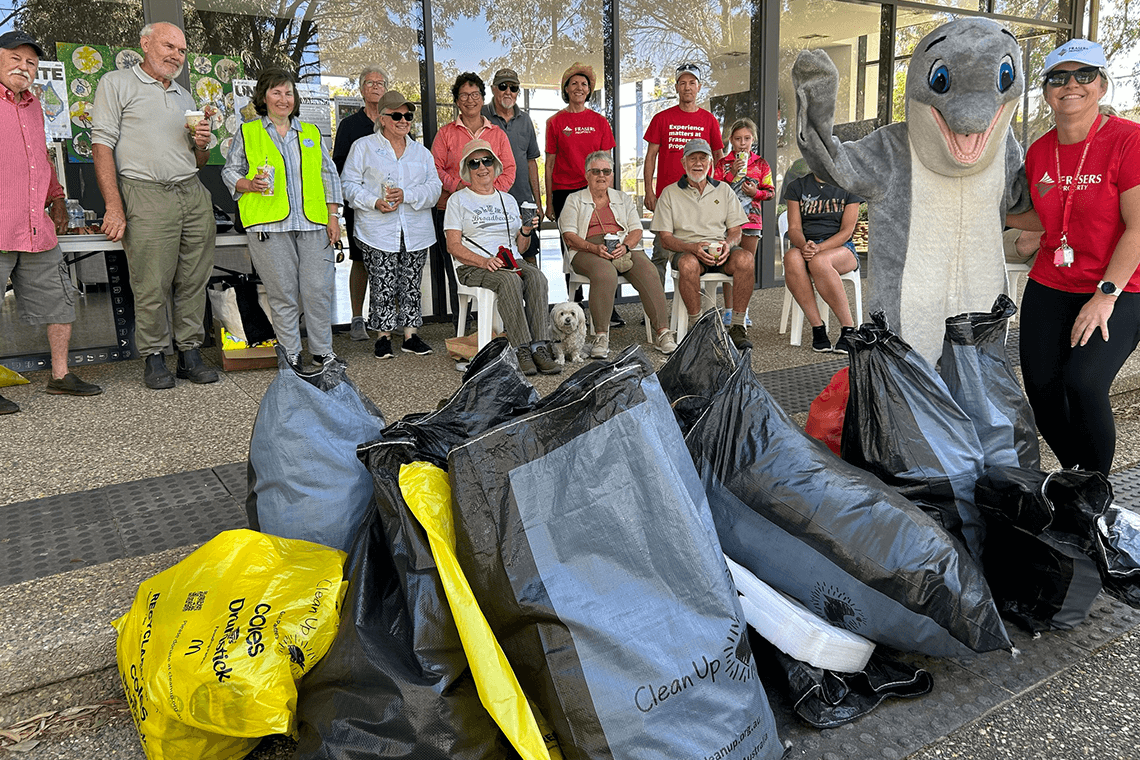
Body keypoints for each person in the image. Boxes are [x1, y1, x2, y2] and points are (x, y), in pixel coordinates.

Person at [1015, 39, 1140, 475]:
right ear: (1047, 90)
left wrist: (1106, 295)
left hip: (1118, 285)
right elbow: (1046, 216)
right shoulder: (1039, 151)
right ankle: (1077, 479)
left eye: (1084, 75)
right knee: (1042, 392)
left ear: (1102, 85)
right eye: (1058, 77)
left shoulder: (1129, 141)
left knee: (1084, 383)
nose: (1071, 85)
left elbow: (1138, 227)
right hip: (1052, 280)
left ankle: (1096, 488)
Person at [91, 21, 219, 390]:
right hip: (144, 191)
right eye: (168, 46)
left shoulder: (184, 97)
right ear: (145, 43)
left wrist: (201, 143)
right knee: (151, 282)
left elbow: (199, 161)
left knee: (194, 278)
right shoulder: (116, 84)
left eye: (181, 50)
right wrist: (113, 205)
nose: (175, 55)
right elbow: (101, 145)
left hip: (191, 191)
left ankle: (190, 354)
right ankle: (154, 356)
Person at [0, 30, 102, 413]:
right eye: (15, 59)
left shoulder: (32, 107)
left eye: (30, 63)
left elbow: (38, 159)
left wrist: (56, 197)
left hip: (35, 225)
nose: (23, 68)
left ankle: (60, 376)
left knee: (59, 301)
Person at [221, 68, 342, 369]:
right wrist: (248, 184)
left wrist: (333, 216)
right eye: (276, 92)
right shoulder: (248, 132)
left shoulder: (311, 133)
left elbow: (329, 176)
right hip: (269, 226)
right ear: (263, 97)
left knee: (318, 290)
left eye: (288, 93)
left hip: (312, 223)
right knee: (283, 294)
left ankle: (323, 352)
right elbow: (229, 171)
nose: (283, 99)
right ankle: (290, 355)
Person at [444, 140, 559, 376]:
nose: (482, 167)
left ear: (495, 166)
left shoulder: (507, 200)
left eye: (487, 161)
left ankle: (540, 347)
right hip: (473, 265)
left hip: (510, 260)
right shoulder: (458, 200)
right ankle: (521, 349)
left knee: (538, 277)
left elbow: (521, 245)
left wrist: (526, 230)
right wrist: (483, 261)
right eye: (474, 163)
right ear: (467, 169)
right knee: (509, 281)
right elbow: (452, 246)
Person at [341, 90, 441, 360]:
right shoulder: (363, 147)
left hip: (415, 230)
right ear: (382, 119)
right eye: (396, 115)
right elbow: (347, 185)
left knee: (411, 283)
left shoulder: (421, 152)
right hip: (377, 229)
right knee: (382, 282)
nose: (403, 120)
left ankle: (411, 335)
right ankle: (383, 337)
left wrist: (407, 195)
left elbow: (435, 189)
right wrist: (373, 201)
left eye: (408, 116)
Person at [560, 152, 676, 358]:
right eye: (596, 171)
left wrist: (627, 246)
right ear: (587, 174)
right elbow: (569, 235)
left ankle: (663, 332)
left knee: (649, 270)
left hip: (623, 246)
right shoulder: (574, 199)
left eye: (606, 171)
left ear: (612, 175)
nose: (601, 175)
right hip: (586, 249)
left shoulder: (622, 198)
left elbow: (636, 229)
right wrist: (593, 248)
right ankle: (601, 336)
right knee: (605, 273)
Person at [651, 139, 753, 351]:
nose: (698, 163)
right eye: (693, 158)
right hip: (687, 251)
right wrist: (692, 247)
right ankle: (698, 326)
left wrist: (728, 244)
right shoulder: (669, 193)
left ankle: (737, 325)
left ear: (710, 163)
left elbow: (736, 231)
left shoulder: (724, 190)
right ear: (683, 162)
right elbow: (665, 238)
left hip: (720, 250)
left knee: (746, 258)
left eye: (703, 158)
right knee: (688, 264)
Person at [431, 72, 515, 315]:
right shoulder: (445, 133)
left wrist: (487, 194)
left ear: (482, 98)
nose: (470, 100)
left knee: (499, 266)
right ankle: (463, 326)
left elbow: (508, 169)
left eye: (475, 94)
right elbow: (434, 169)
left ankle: (497, 325)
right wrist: (459, 187)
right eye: (464, 95)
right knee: (456, 269)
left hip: (491, 214)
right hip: (450, 209)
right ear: (457, 101)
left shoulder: (497, 134)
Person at [643, 63, 725, 283]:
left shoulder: (709, 120)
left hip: (698, 198)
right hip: (666, 199)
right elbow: (650, 156)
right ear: (677, 87)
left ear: (699, 87)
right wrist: (649, 191)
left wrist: (718, 189)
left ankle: (693, 306)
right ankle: (655, 313)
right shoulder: (662, 118)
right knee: (660, 254)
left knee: (699, 253)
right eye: (683, 83)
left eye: (692, 83)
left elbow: (719, 157)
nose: (687, 87)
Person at [332, 65, 387, 341]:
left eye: (380, 83)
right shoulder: (350, 126)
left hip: (390, 207)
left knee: (393, 260)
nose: (375, 87)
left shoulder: (396, 120)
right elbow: (338, 167)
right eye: (370, 83)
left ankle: (390, 317)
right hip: (361, 206)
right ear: (362, 89)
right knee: (361, 260)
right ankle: (357, 319)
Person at [782, 171, 862, 353]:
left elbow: (847, 231)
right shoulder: (797, 186)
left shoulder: (848, 184)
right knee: (791, 258)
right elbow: (794, 228)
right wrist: (805, 246)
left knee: (819, 262)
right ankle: (818, 328)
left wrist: (820, 248)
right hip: (807, 246)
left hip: (841, 248)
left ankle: (849, 329)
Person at [711, 117, 774, 326]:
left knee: (746, 266)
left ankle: (742, 310)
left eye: (747, 138)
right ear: (731, 140)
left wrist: (757, 192)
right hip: (726, 224)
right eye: (738, 139)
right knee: (731, 264)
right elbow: (714, 191)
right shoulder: (723, 164)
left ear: (753, 139)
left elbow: (771, 192)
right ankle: (729, 309)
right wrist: (732, 174)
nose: (742, 143)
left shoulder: (761, 164)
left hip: (752, 222)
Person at [482, 67, 543, 265]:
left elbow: (531, 161)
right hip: (491, 202)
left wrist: (538, 203)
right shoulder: (481, 116)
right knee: (496, 259)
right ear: (493, 89)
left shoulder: (525, 120)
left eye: (513, 87)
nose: (508, 91)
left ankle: (533, 296)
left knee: (529, 256)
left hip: (523, 201)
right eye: (503, 86)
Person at [544, 63, 615, 222]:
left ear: (589, 90)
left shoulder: (601, 122)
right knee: (569, 243)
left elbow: (607, 165)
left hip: (593, 189)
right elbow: (549, 165)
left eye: (584, 84)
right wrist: (549, 203)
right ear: (566, 89)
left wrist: (609, 196)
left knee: (595, 241)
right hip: (563, 192)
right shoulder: (554, 122)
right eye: (574, 83)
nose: (579, 88)